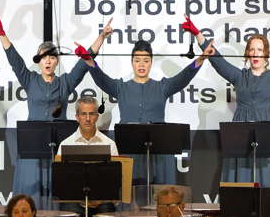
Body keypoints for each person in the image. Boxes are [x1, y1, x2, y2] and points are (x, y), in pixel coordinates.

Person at [86, 28, 213, 185]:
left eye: (146, 61)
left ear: (151, 63)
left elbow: (183, 78)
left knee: (160, 196)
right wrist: (89, 60)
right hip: (129, 150)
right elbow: (100, 78)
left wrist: (201, 59)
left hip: (159, 152)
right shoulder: (121, 88)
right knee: (130, 197)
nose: (141, 65)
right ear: (132, 62)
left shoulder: (162, 87)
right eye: (137, 60)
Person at [207, 12, 270, 202]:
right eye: (252, 49)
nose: (255, 53)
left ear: (266, 53)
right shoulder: (239, 76)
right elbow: (217, 60)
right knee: (242, 186)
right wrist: (198, 35)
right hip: (241, 134)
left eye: (260, 49)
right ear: (247, 53)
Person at [0, 14, 95, 204]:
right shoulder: (30, 80)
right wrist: (1, 33)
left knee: (56, 194)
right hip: (32, 146)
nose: (48, 61)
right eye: (43, 58)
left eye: (52, 57)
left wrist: (101, 37)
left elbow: (84, 63)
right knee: (29, 195)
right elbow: (15, 60)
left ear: (57, 61)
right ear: (38, 61)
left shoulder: (65, 83)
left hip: (57, 145)